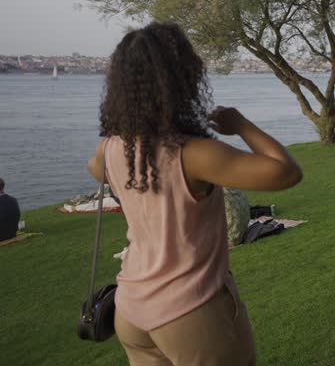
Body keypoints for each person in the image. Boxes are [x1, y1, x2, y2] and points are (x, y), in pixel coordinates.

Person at [86, 22, 302, 365]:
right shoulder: (192, 154)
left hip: (130, 309)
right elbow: (286, 172)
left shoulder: (110, 148)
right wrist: (240, 124)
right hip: (189, 310)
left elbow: (96, 171)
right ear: (183, 78)